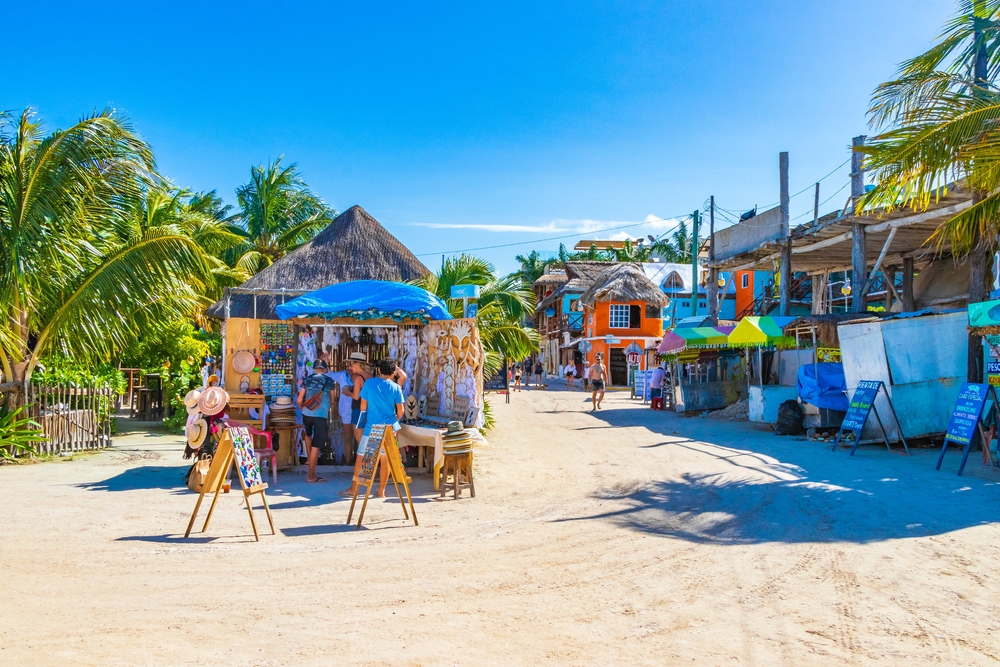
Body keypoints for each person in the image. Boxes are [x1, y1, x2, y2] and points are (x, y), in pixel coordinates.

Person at [341, 358, 405, 499]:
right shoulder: (396, 387)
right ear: (392, 373)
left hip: (372, 427)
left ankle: (353, 488)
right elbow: (401, 411)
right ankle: (381, 490)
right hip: (389, 428)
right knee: (385, 459)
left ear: (379, 370)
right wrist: (393, 420)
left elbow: (363, 406)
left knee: (361, 457)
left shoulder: (370, 383)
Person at [297, 359, 337, 483]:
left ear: (314, 369)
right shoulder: (329, 381)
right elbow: (332, 400)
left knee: (308, 435)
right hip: (321, 415)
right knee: (317, 445)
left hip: (306, 413)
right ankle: (311, 475)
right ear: (325, 369)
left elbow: (299, 399)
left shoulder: (307, 380)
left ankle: (309, 459)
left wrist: (303, 408)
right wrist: (327, 408)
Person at [341, 352, 372, 464]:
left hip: (358, 410)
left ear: (358, 364)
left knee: (360, 441)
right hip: (369, 410)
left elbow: (356, 396)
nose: (350, 366)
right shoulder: (370, 377)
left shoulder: (358, 378)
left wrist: (346, 392)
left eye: (351, 364)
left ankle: (363, 467)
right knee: (368, 439)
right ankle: (369, 467)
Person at [329, 361, 356, 465]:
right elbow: (329, 375)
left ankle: (361, 463)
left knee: (361, 439)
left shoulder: (362, 377)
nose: (349, 367)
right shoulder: (342, 375)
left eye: (351, 365)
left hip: (360, 411)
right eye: (348, 365)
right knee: (348, 438)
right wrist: (326, 362)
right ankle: (348, 463)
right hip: (346, 412)